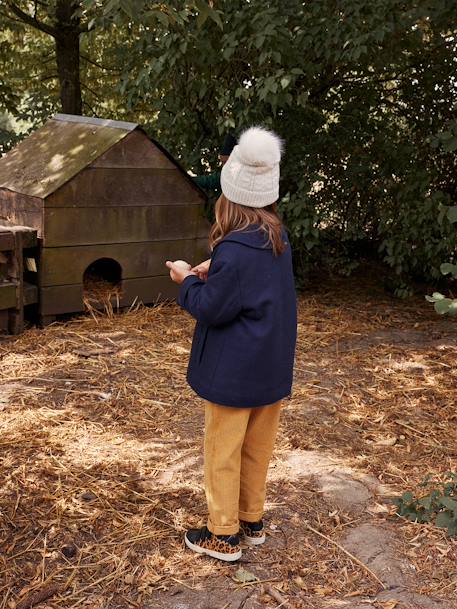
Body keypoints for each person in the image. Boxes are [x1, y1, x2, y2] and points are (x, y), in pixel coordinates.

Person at [166, 126, 297, 562]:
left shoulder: (234, 250)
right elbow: (247, 287)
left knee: (223, 451)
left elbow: (213, 308)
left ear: (229, 196)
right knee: (257, 449)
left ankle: (223, 534)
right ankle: (251, 519)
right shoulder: (276, 239)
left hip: (235, 374)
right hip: (271, 370)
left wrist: (186, 280)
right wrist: (215, 268)